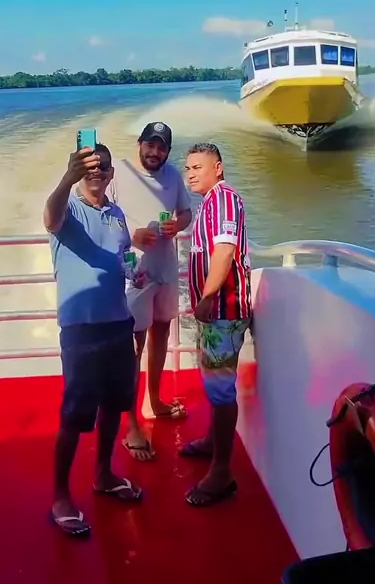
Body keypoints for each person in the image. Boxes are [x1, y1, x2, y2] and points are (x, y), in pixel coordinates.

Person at [43, 142, 142, 538]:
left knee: (114, 406)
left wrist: (135, 271)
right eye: (89, 166)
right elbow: (50, 218)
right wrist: (67, 178)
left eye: (103, 166)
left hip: (118, 323)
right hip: (81, 330)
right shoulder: (68, 209)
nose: (96, 171)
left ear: (111, 173)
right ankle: (60, 496)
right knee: (75, 415)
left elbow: (124, 255)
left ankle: (103, 475)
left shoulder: (116, 215)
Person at [107, 122, 192, 460]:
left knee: (161, 333)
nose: (155, 152)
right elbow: (103, 216)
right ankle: (131, 424)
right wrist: (132, 235)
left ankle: (153, 401)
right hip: (134, 273)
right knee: (133, 345)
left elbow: (186, 212)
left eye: (161, 147)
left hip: (165, 268)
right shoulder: (119, 174)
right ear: (139, 144)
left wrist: (178, 224)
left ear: (168, 151)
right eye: (150, 145)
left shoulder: (173, 177)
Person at [180, 142, 252, 506]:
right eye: (188, 168)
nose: (190, 174)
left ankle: (222, 472)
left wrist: (207, 298)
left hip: (223, 311)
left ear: (218, 168)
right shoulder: (208, 203)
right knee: (213, 384)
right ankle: (212, 442)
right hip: (213, 314)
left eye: (198, 167)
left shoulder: (224, 200)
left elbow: (224, 252)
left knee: (222, 392)